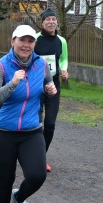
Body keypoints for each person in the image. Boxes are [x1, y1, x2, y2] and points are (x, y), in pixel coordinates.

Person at [0, 25, 57, 203]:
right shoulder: (2, 66)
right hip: (2, 133)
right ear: (12, 41)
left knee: (37, 175)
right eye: (22, 40)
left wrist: (51, 90)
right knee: (5, 179)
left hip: (31, 131)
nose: (26, 45)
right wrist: (12, 84)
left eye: (30, 41)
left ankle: (20, 197)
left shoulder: (41, 64)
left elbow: (48, 86)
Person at [34, 9, 69, 172]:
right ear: (42, 23)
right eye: (48, 19)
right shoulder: (35, 39)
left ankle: (41, 157)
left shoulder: (61, 41)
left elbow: (63, 58)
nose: (51, 22)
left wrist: (64, 69)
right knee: (36, 123)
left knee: (50, 124)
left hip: (53, 84)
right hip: (36, 84)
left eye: (54, 19)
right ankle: (32, 155)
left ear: (57, 23)